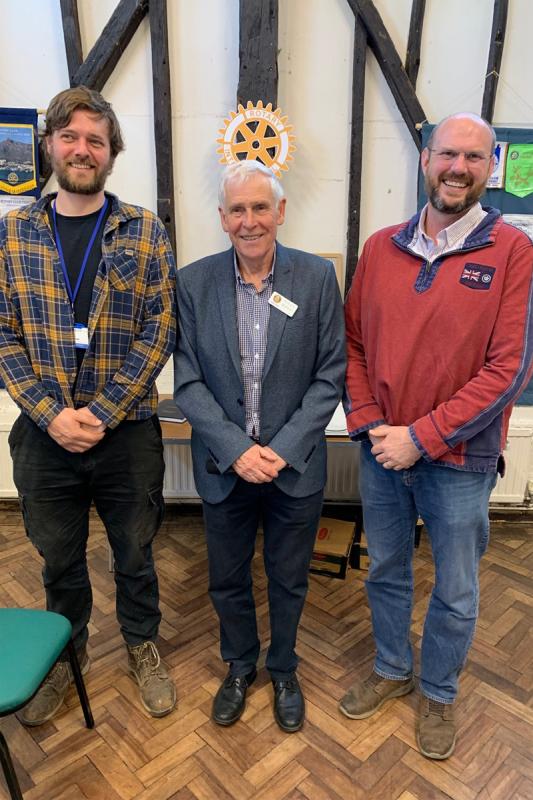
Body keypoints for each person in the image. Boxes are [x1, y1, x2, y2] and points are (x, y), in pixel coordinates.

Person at [341, 112, 533, 759]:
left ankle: (439, 694)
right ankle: (393, 671)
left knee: (455, 589)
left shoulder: (512, 253)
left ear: (490, 168)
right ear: (425, 160)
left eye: (473, 158)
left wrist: (418, 437)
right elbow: (353, 345)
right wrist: (370, 425)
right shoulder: (378, 249)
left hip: (459, 460)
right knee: (386, 571)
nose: (457, 167)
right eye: (447, 153)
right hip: (379, 453)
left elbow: (507, 368)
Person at [0, 86, 177, 723]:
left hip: (126, 432)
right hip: (43, 436)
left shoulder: (144, 230)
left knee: (136, 550)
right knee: (59, 560)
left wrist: (101, 412)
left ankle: (142, 644)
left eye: (95, 140)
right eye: (70, 137)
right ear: (49, 144)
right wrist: (51, 415)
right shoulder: (12, 233)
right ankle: (63, 654)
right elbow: (1, 334)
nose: (82, 149)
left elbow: (161, 328)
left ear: (111, 152)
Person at [174, 161, 345, 732]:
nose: (250, 221)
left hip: (294, 468)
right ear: (222, 218)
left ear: (281, 212)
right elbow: (189, 382)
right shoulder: (193, 283)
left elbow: (330, 375)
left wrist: (285, 445)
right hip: (226, 466)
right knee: (226, 576)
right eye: (238, 210)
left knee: (289, 576)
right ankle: (240, 665)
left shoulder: (318, 278)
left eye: (260, 208)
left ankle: (284, 666)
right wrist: (236, 449)